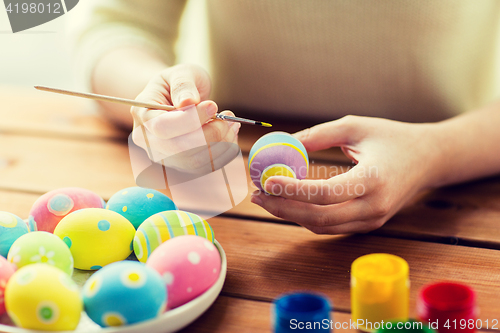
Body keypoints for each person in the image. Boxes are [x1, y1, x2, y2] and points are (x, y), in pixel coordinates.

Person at [70, 0, 500, 234]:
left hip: (463, 186)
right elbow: (117, 26)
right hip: (223, 179)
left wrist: (436, 153)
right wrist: (152, 98)